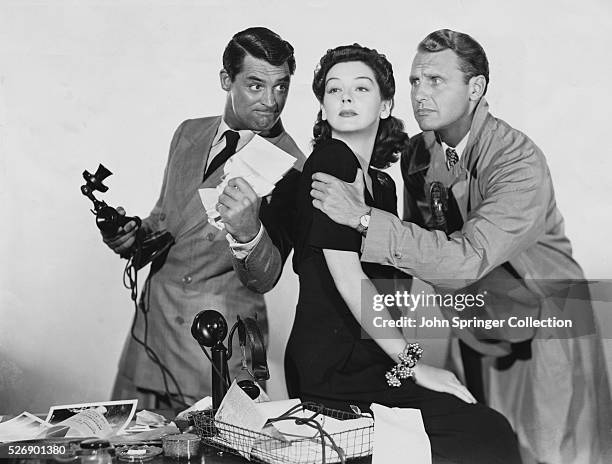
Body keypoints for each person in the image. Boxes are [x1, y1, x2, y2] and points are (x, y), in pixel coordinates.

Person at [310, 29, 612, 463]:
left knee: (552, 455)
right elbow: (413, 257)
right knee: (483, 446)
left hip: (550, 325)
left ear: (476, 88)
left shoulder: (518, 161)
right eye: (415, 82)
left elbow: (463, 260)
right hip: (476, 324)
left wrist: (360, 218)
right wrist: (401, 357)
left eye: (436, 81)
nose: (420, 94)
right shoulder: (418, 153)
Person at [287, 43, 521, 464]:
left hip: (375, 361)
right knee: (482, 436)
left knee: (485, 429)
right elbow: (349, 278)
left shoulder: (382, 184)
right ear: (322, 107)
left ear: (386, 103)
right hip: (332, 369)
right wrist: (415, 365)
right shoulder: (331, 161)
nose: (345, 97)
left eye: (360, 88)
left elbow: (393, 287)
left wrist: (405, 363)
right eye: (333, 90)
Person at [102, 27, 305, 407]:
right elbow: (164, 219)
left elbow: (267, 276)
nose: (271, 101)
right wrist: (132, 237)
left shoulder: (293, 165)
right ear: (226, 80)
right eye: (256, 85)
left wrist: (248, 232)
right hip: (151, 336)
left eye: (282, 86)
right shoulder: (188, 133)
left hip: (215, 348)